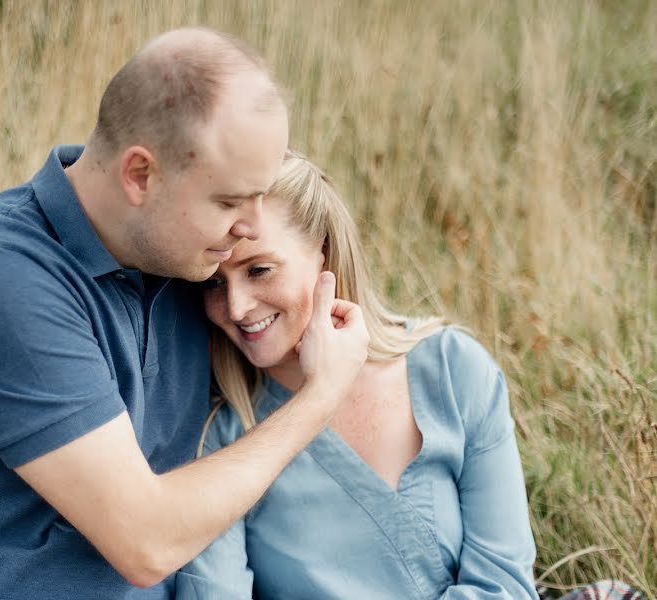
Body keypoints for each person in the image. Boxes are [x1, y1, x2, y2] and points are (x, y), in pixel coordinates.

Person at [0, 29, 370, 600]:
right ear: (140, 175)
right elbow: (145, 544)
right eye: (228, 201)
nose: (248, 227)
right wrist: (321, 395)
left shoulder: (191, 267)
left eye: (259, 195)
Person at [177, 150, 541, 599]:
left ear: (323, 249)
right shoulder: (223, 435)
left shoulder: (451, 369)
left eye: (259, 270)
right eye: (214, 281)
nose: (236, 306)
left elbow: (504, 586)